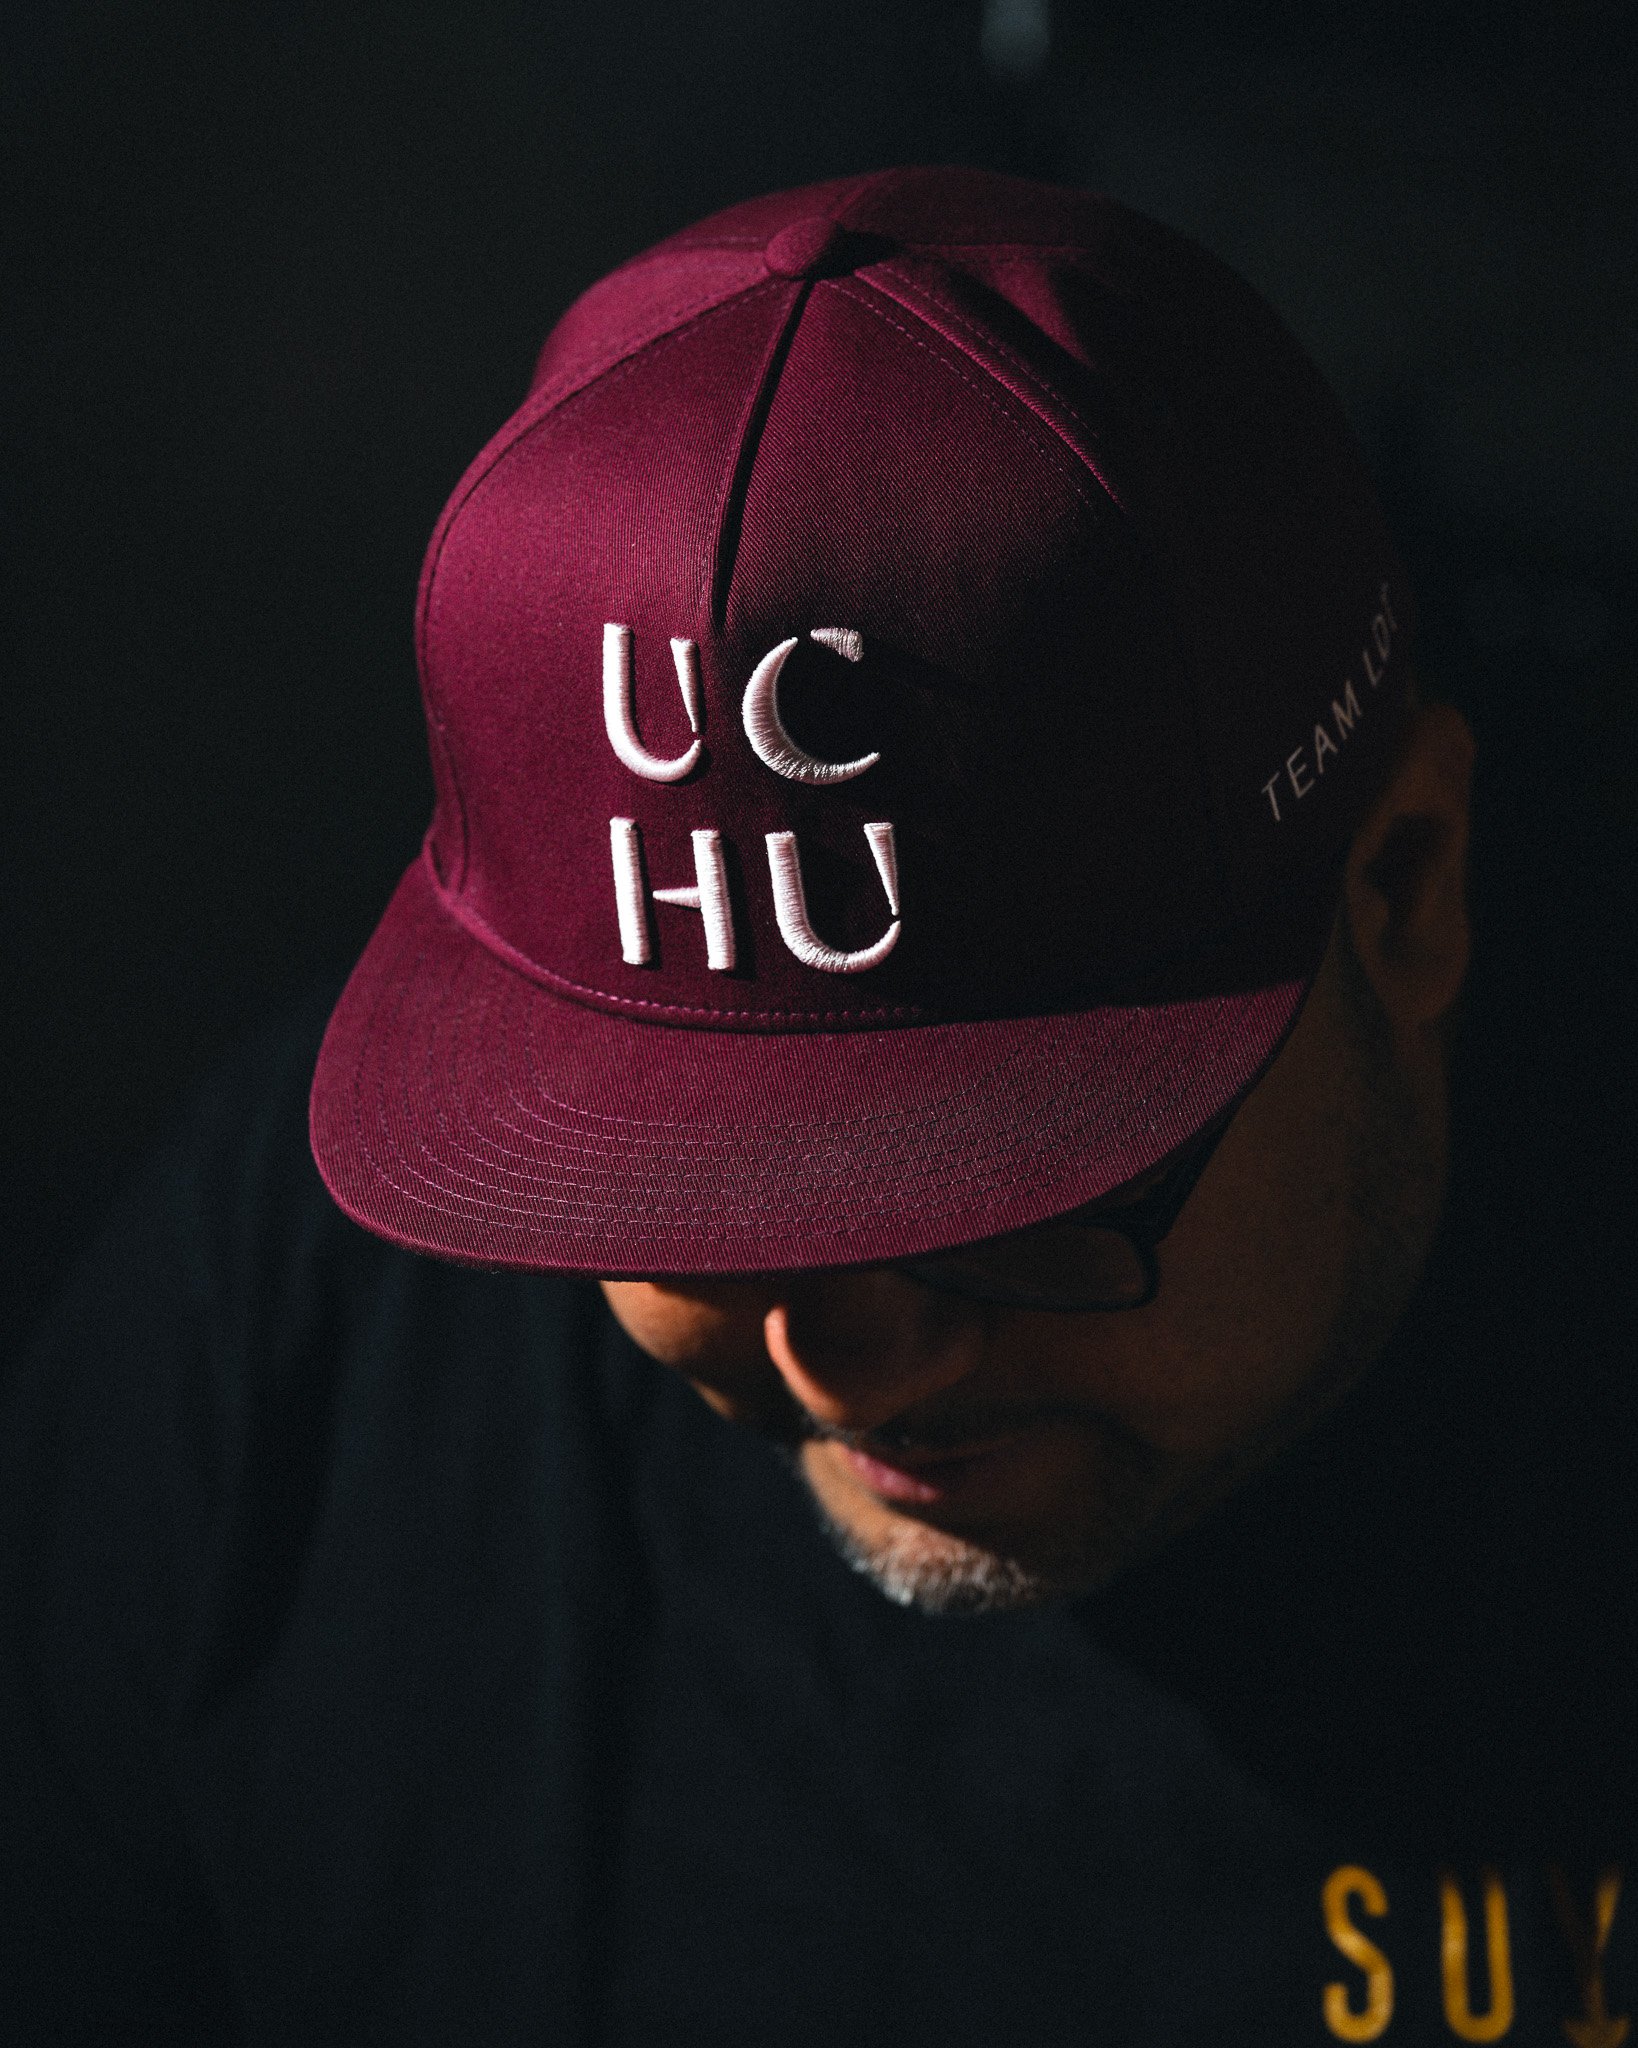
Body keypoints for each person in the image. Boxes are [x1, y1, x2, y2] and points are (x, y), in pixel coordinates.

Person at [2, 166, 1632, 2046]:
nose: (852, 1357)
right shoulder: (295, 1354)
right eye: (672, 1189)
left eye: (1014, 1195)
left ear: (1408, 893)